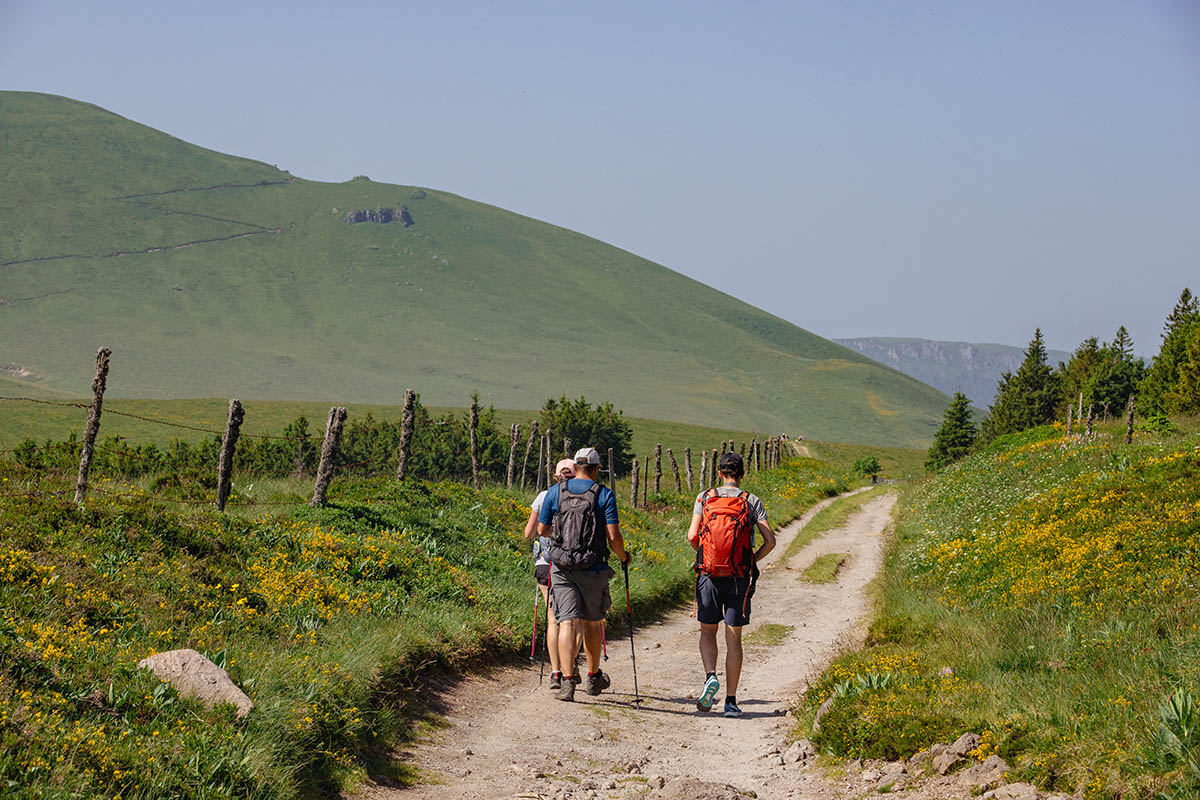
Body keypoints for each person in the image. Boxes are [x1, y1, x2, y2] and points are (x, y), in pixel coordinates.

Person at [687, 451, 775, 717]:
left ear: (720, 473)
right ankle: (731, 701)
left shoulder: (704, 498)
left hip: (708, 574)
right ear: (742, 474)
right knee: (734, 636)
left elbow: (692, 535)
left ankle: (710, 676)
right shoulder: (751, 501)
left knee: (707, 631)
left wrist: (705, 554)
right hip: (739, 577)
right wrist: (751, 560)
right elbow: (770, 541)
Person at [538, 446, 629, 701]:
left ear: (575, 467)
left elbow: (542, 529)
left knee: (565, 621)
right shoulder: (604, 494)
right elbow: (613, 537)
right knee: (592, 623)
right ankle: (592, 676)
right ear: (597, 468)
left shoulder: (556, 491)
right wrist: (623, 557)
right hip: (593, 566)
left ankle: (567, 682)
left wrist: (560, 536)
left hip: (561, 567)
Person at [523, 458, 579, 689]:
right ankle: (570, 665)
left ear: (555, 476)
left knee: (553, 618)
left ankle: (555, 672)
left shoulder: (543, 497)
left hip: (545, 563)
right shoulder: (582, 496)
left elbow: (529, 533)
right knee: (575, 621)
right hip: (574, 563)